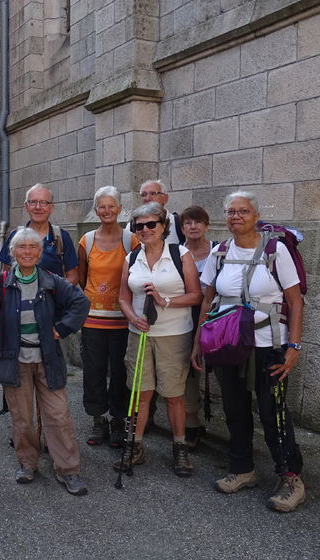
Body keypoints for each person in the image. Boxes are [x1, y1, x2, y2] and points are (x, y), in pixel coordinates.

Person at [0, 228, 91, 495]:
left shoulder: (52, 281)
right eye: (22, 247)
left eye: (32, 247)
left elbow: (81, 303)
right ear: (13, 253)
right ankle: (27, 463)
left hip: (48, 359)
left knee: (58, 416)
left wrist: (62, 328)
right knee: (22, 418)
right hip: (15, 361)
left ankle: (68, 469)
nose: (27, 252)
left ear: (39, 253)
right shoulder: (2, 283)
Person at [192, 191, 306, 512]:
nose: (236, 216)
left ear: (256, 216)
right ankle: (242, 469)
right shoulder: (219, 252)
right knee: (235, 409)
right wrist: (199, 342)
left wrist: (294, 346)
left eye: (243, 211)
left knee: (274, 412)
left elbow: (295, 301)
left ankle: (291, 478)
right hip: (228, 344)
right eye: (231, 211)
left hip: (269, 346)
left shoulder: (275, 250)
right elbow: (207, 301)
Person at [116, 202, 201, 477]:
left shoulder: (180, 254)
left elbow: (196, 295)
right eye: (139, 226)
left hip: (173, 335)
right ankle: (135, 446)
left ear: (163, 225)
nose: (145, 229)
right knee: (140, 393)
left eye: (151, 224)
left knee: (174, 395)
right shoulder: (132, 257)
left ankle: (180, 448)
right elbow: (123, 297)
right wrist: (132, 317)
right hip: (139, 334)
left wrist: (166, 301)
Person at [77, 186, 139, 448]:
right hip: (93, 319)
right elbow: (82, 278)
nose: (106, 211)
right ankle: (98, 418)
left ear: (120, 209)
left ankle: (118, 420)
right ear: (96, 210)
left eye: (111, 206)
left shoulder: (131, 240)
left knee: (121, 372)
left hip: (122, 319)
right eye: (102, 206)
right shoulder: (87, 240)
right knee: (94, 371)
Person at [179, 205, 214, 449]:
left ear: (206, 226)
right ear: (182, 228)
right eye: (188, 223)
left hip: (216, 317)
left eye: (198, 222)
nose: (193, 227)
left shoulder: (218, 251)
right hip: (187, 315)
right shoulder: (178, 253)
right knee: (190, 369)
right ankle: (191, 420)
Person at [0, 183, 79, 284]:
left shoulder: (61, 237)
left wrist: (54, 290)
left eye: (44, 202)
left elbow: (73, 277)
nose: (38, 207)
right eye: (33, 202)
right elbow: (6, 275)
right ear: (26, 206)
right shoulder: (15, 236)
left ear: (51, 208)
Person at [124, 180, 185, 245]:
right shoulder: (132, 226)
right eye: (144, 195)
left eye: (153, 194)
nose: (147, 198)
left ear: (165, 198)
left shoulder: (179, 223)